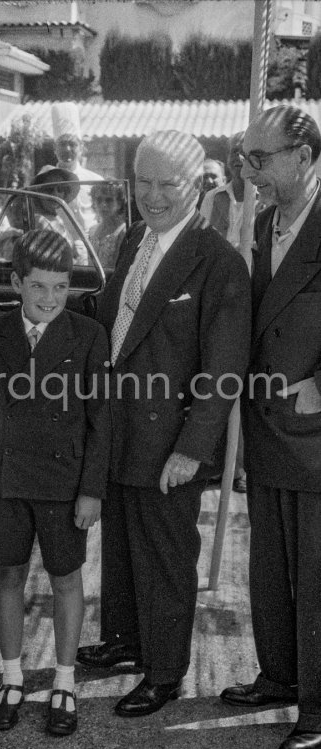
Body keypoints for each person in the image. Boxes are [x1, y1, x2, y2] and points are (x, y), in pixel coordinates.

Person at [76, 130, 251, 717]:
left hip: (169, 438)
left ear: (199, 185)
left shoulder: (219, 263)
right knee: (123, 545)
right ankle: (127, 641)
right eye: (141, 182)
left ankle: (166, 671)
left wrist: (191, 451)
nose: (151, 195)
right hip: (122, 427)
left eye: (165, 184)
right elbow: (113, 319)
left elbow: (224, 371)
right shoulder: (134, 239)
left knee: (166, 558)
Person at [0, 229, 110, 736]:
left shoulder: (88, 335)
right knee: (7, 577)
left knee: (65, 580)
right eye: (37, 286)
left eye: (60, 287)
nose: (49, 298)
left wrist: (91, 490)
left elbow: (101, 419)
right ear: (16, 283)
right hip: (7, 482)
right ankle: (11, 677)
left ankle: (64, 681)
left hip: (62, 483)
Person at [219, 105, 321, 749]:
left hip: (315, 435)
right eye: (245, 157)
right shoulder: (257, 226)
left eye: (261, 157)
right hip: (265, 430)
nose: (249, 169)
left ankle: (316, 705)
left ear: (304, 157)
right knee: (270, 568)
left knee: (315, 576)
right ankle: (279, 676)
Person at [201, 132, 248, 493]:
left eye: (246, 153)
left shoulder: (265, 200)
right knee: (218, 379)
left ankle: (242, 467)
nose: (239, 159)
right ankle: (219, 463)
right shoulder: (214, 199)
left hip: (256, 298)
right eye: (234, 152)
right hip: (220, 298)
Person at [52, 102, 103, 232]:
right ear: (55, 149)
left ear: (81, 148)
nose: (67, 149)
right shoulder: (44, 182)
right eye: (62, 144)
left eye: (72, 144)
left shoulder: (96, 181)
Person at [30, 165, 87, 265]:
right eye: (49, 189)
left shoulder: (58, 219)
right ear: (38, 193)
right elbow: (52, 261)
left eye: (60, 189)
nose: (55, 194)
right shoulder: (41, 221)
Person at [88, 181, 127, 270]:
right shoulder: (92, 230)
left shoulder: (124, 232)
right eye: (99, 200)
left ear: (119, 203)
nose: (103, 205)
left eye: (109, 200)